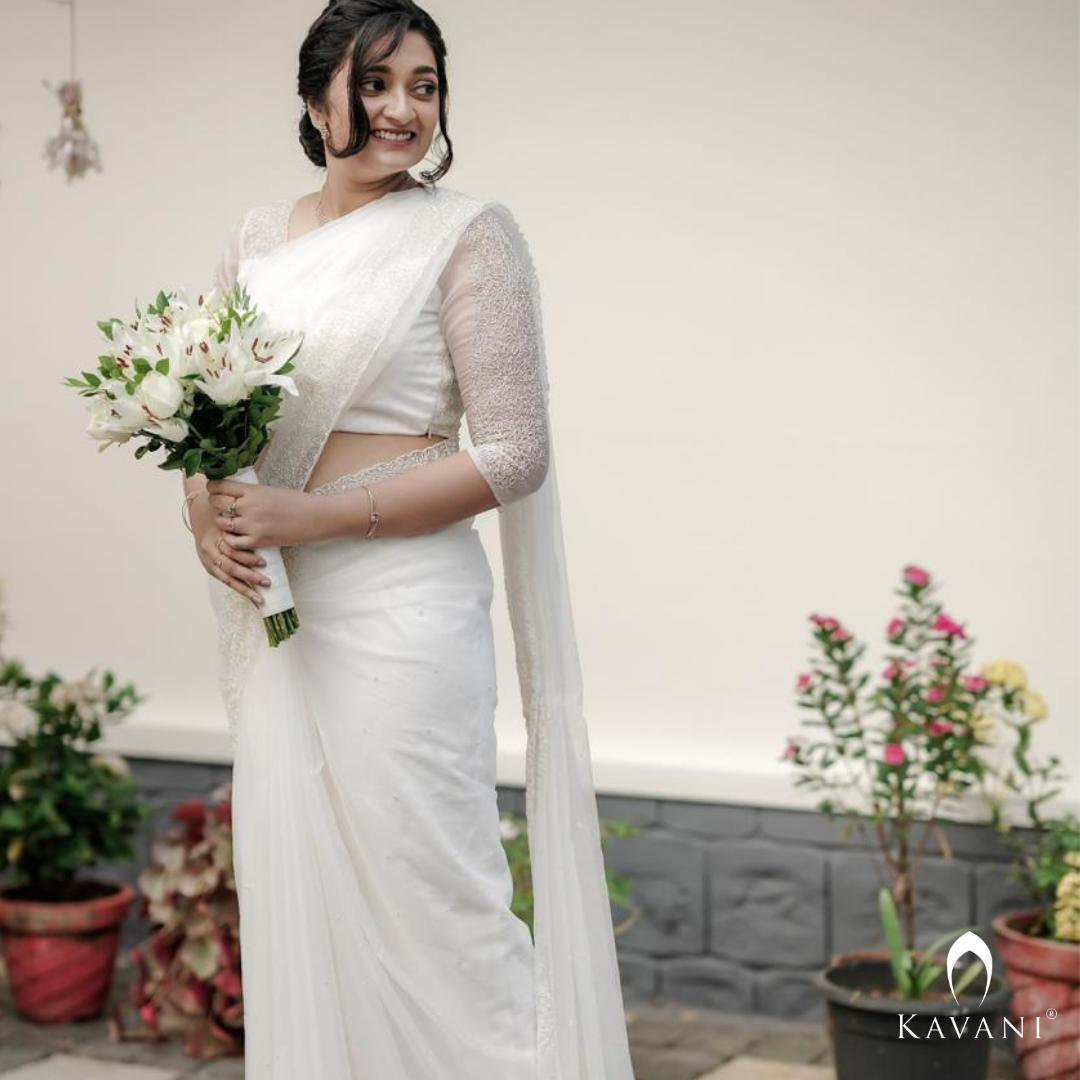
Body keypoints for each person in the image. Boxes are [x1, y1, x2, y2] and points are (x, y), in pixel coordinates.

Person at [182, 2, 635, 1077]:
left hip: (403, 612)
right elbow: (202, 416)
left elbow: (515, 451)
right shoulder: (255, 238)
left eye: (423, 86)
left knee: (435, 890)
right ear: (313, 99)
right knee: (310, 888)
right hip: (281, 612)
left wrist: (316, 516)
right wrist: (206, 511)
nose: (401, 109)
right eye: (374, 83)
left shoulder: (469, 234)